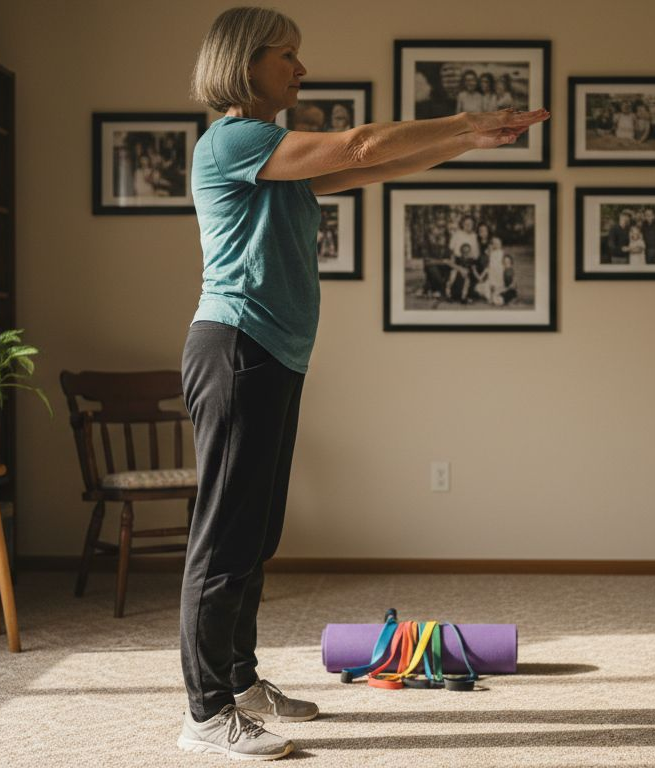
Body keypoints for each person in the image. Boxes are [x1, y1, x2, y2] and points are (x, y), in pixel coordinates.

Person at [183, 8, 548, 760]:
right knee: (223, 539)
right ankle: (204, 713)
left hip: (271, 354)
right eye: (290, 56)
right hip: (235, 349)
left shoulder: (271, 153)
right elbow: (358, 142)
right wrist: (463, 116)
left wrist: (466, 142)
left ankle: (242, 681)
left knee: (256, 534)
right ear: (248, 62)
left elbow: (367, 166)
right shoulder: (234, 138)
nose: (302, 70)